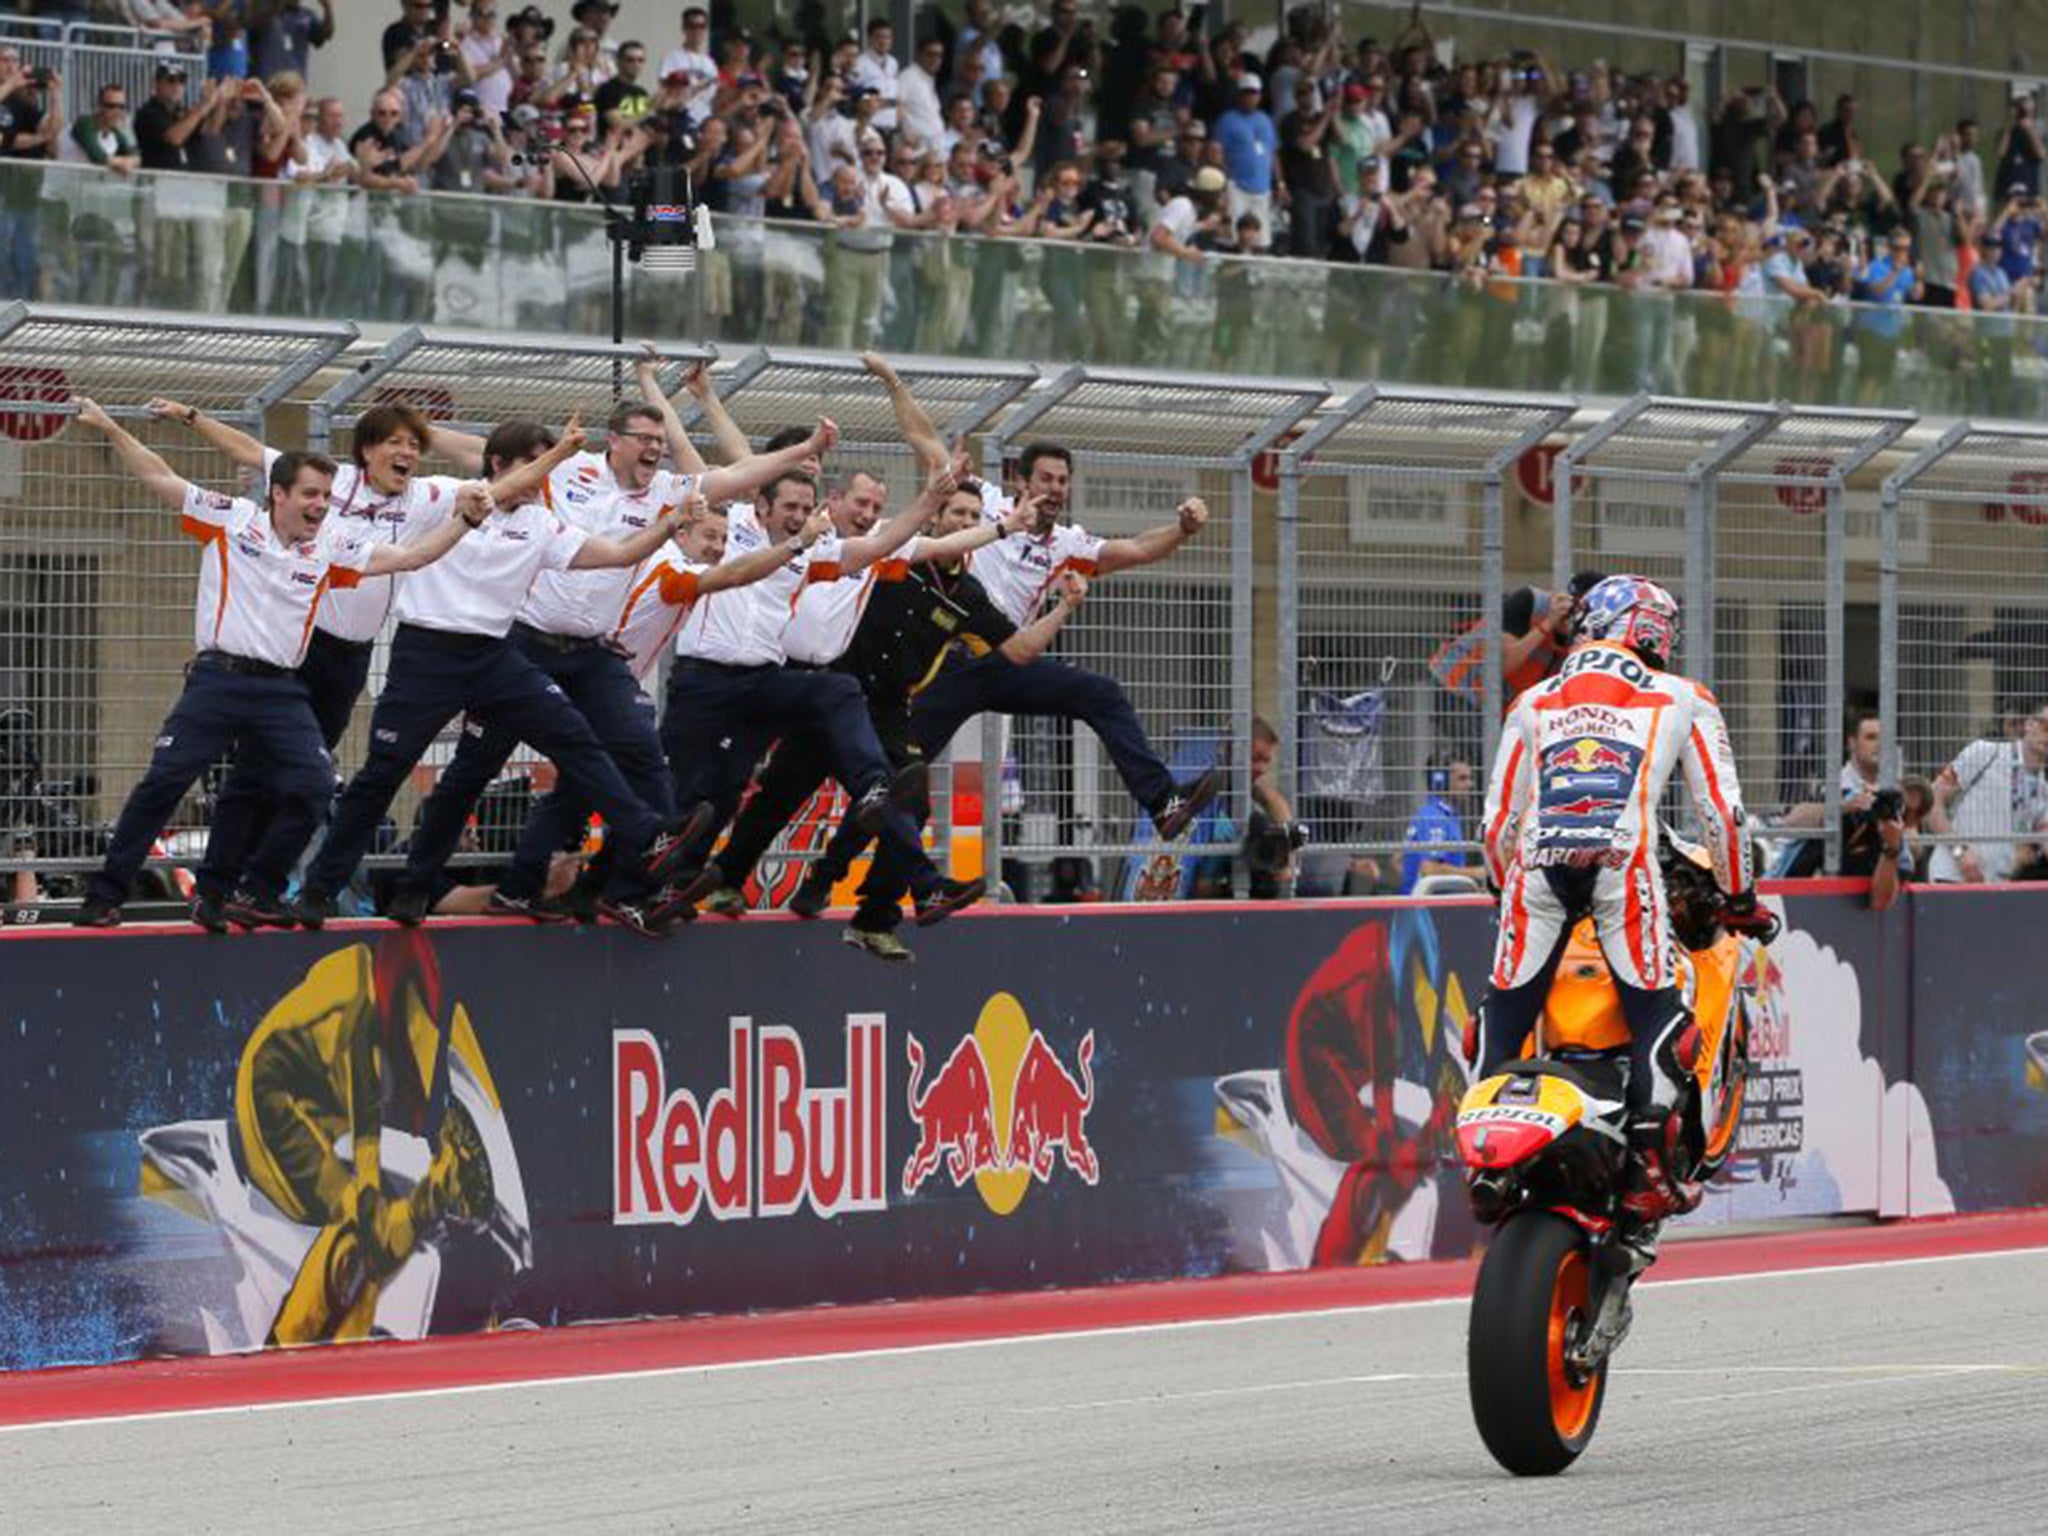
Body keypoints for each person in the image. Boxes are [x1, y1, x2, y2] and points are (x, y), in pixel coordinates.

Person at [385, 362, 842, 924]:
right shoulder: (565, 469)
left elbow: (740, 477)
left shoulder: (670, 495)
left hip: (593, 652)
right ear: (614, 442)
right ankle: (417, 884)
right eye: (643, 440)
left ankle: (646, 866)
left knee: (638, 753)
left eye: (660, 440)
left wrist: (804, 452)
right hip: (526, 642)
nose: (655, 449)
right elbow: (480, 457)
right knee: (475, 767)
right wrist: (410, 433)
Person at [66, 401, 484, 928]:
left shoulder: (332, 545)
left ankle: (251, 890)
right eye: (310, 496)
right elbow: (160, 476)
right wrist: (109, 427)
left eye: (327, 498)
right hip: (218, 679)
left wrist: (465, 521)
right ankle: (105, 896)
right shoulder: (232, 519)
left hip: (280, 690)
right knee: (166, 779)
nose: (321, 507)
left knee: (314, 785)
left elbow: (410, 558)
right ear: (278, 495)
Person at [291, 420, 705, 936]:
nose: (540, 480)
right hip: (427, 654)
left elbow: (616, 554)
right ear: (497, 466)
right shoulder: (454, 496)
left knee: (574, 736)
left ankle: (647, 833)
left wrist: (669, 526)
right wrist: (561, 455)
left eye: (544, 466)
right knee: (383, 774)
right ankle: (323, 888)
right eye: (531, 465)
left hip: (494, 656)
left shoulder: (540, 523)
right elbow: (496, 492)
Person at [1477, 575, 1769, 1224]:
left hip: (1537, 870)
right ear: (1648, 629)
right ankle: (1645, 1169)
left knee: (1504, 1006)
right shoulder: (1681, 696)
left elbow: (1496, 824)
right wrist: (1741, 896)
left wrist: (1504, 889)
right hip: (1621, 868)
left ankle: (1487, 1156)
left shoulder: (1536, 700)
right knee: (1661, 1011)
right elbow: (1723, 816)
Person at [903, 439, 1223, 847]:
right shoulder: (986, 501)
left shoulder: (1069, 543)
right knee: (903, 775)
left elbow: (1138, 549)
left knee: (1103, 694)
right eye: (1046, 478)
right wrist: (890, 381)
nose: (1055, 488)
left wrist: (1183, 530)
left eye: (1063, 481)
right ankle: (836, 873)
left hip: (1007, 660)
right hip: (947, 662)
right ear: (1021, 479)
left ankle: (1163, 802)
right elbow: (929, 443)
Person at [1925, 699, 2048, 883]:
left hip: (1994, 888)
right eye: (2046, 726)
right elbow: (1931, 801)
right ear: (2029, 724)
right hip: (1952, 877)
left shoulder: (2042, 789)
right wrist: (1960, 852)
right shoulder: (1986, 753)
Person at [1400, 758, 1475, 893]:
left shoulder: (1445, 814)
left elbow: (1397, 860)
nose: (1470, 784)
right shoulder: (1434, 817)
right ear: (1441, 782)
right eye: (1462, 779)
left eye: (1470, 778)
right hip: (1427, 908)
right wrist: (1476, 874)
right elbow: (1429, 869)